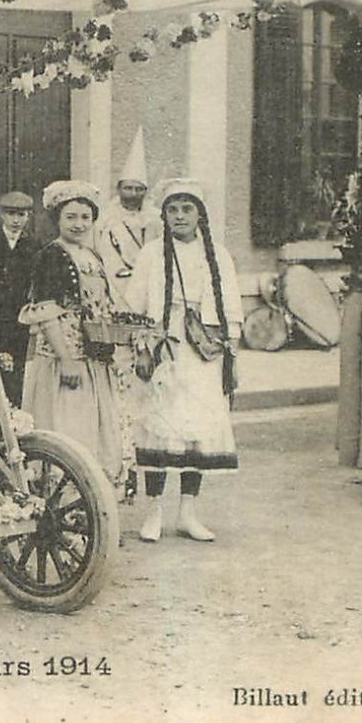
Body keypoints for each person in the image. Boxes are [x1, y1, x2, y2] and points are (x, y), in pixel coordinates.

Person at [130, 179, 243, 543]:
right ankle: (154, 512)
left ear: (199, 215)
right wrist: (143, 347)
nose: (179, 216)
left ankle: (188, 513)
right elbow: (136, 304)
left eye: (187, 209)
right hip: (165, 343)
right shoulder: (151, 253)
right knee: (161, 425)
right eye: (173, 210)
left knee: (196, 430)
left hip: (204, 345)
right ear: (163, 215)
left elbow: (232, 307)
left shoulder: (218, 255)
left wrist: (230, 350)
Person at [18, 181, 133, 488]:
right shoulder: (52, 255)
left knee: (93, 431)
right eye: (71, 217)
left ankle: (92, 508)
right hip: (64, 361)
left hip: (93, 359)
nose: (79, 224)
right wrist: (67, 361)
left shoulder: (92, 256)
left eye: (85, 217)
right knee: (68, 431)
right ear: (57, 219)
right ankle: (65, 501)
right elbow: (46, 313)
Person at [0, 190, 40, 408]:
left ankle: (14, 412)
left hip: (19, 313)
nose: (16, 220)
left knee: (17, 361)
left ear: (28, 216)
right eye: (11, 214)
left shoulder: (34, 244)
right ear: (1, 215)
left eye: (21, 215)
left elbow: (38, 278)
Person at [95, 129, 160, 310]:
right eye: (128, 188)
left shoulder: (155, 219)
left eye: (138, 189)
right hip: (115, 281)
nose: (133, 194)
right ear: (119, 189)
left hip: (147, 282)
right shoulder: (106, 218)